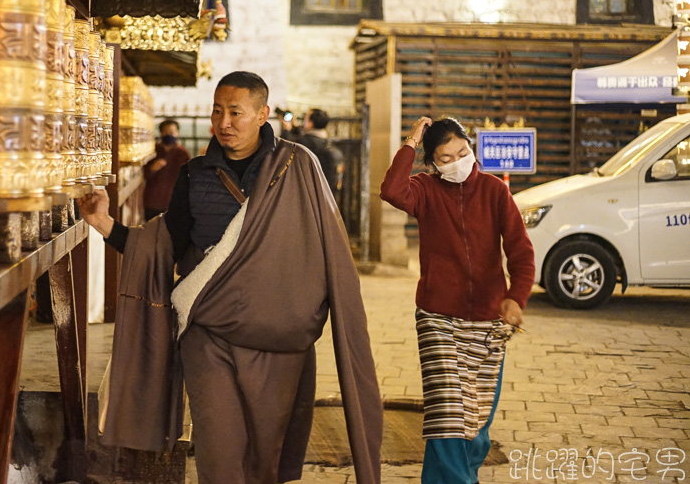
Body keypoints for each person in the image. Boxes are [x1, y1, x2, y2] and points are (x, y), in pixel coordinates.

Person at [79, 71, 383, 484]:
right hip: (210, 331)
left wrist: (312, 310)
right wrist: (104, 224)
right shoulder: (196, 173)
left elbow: (328, 247)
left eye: (235, 113)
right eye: (217, 112)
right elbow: (161, 244)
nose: (224, 123)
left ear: (263, 114)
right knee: (217, 450)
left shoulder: (298, 167)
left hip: (280, 338)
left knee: (264, 459)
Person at [379, 116, 535, 484]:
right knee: (448, 412)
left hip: (489, 320)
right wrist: (410, 142)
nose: (458, 161)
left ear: (472, 148)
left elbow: (521, 253)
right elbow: (391, 190)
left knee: (476, 419)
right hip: (438, 318)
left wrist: (516, 298)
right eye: (446, 158)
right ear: (433, 164)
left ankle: (460, 476)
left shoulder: (496, 191)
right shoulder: (424, 190)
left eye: (463, 152)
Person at [143, 119, 191, 220]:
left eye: (172, 132)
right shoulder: (153, 151)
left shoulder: (183, 154)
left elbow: (188, 179)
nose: (169, 134)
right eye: (166, 131)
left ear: (177, 133)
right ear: (161, 133)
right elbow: (144, 175)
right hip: (152, 201)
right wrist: (153, 168)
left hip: (174, 202)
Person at [297, 109, 344, 197]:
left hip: (308, 191)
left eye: (306, 118)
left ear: (311, 123)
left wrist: (286, 131)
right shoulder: (326, 141)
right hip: (325, 190)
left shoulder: (304, 141)